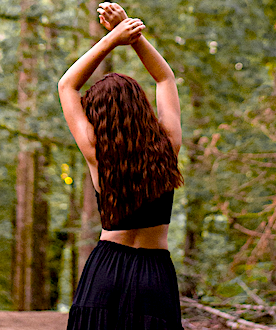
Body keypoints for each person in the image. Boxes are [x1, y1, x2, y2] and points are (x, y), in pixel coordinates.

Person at [57, 2, 184, 329]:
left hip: (106, 271)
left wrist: (113, 38)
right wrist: (132, 33)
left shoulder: (97, 152)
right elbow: (165, 78)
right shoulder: (167, 144)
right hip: (154, 277)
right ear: (141, 106)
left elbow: (66, 85)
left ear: (98, 117)